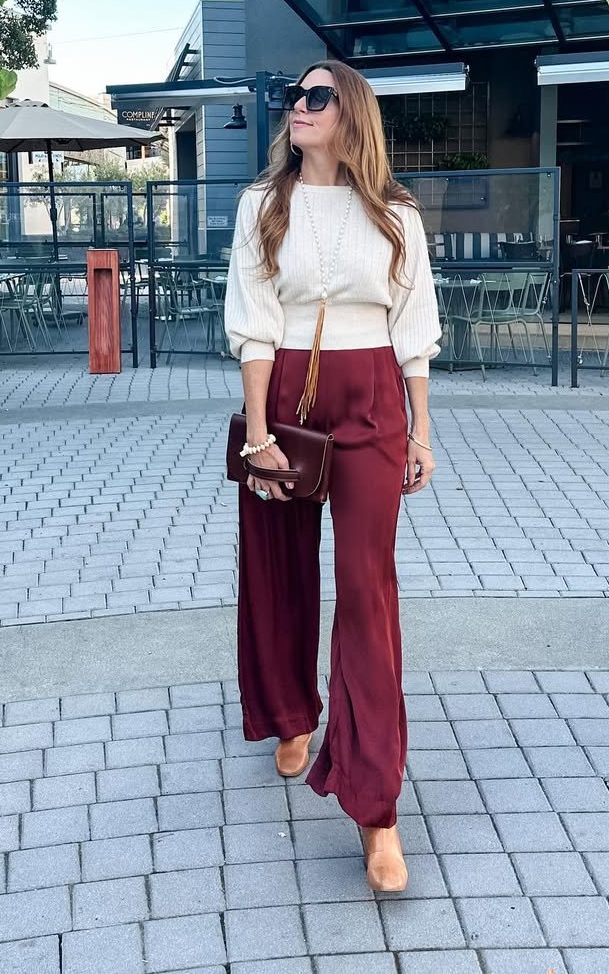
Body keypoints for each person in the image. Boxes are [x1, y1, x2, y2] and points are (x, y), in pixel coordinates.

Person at [223, 59, 442, 892]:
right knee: (278, 567)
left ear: (352, 114)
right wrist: (258, 433)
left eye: (318, 97)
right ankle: (289, 711)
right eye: (295, 98)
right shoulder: (260, 205)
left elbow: (415, 328)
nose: (299, 108)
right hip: (285, 393)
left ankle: (377, 806)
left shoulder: (395, 214)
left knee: (366, 591)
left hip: (372, 396)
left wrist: (423, 430)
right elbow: (252, 323)